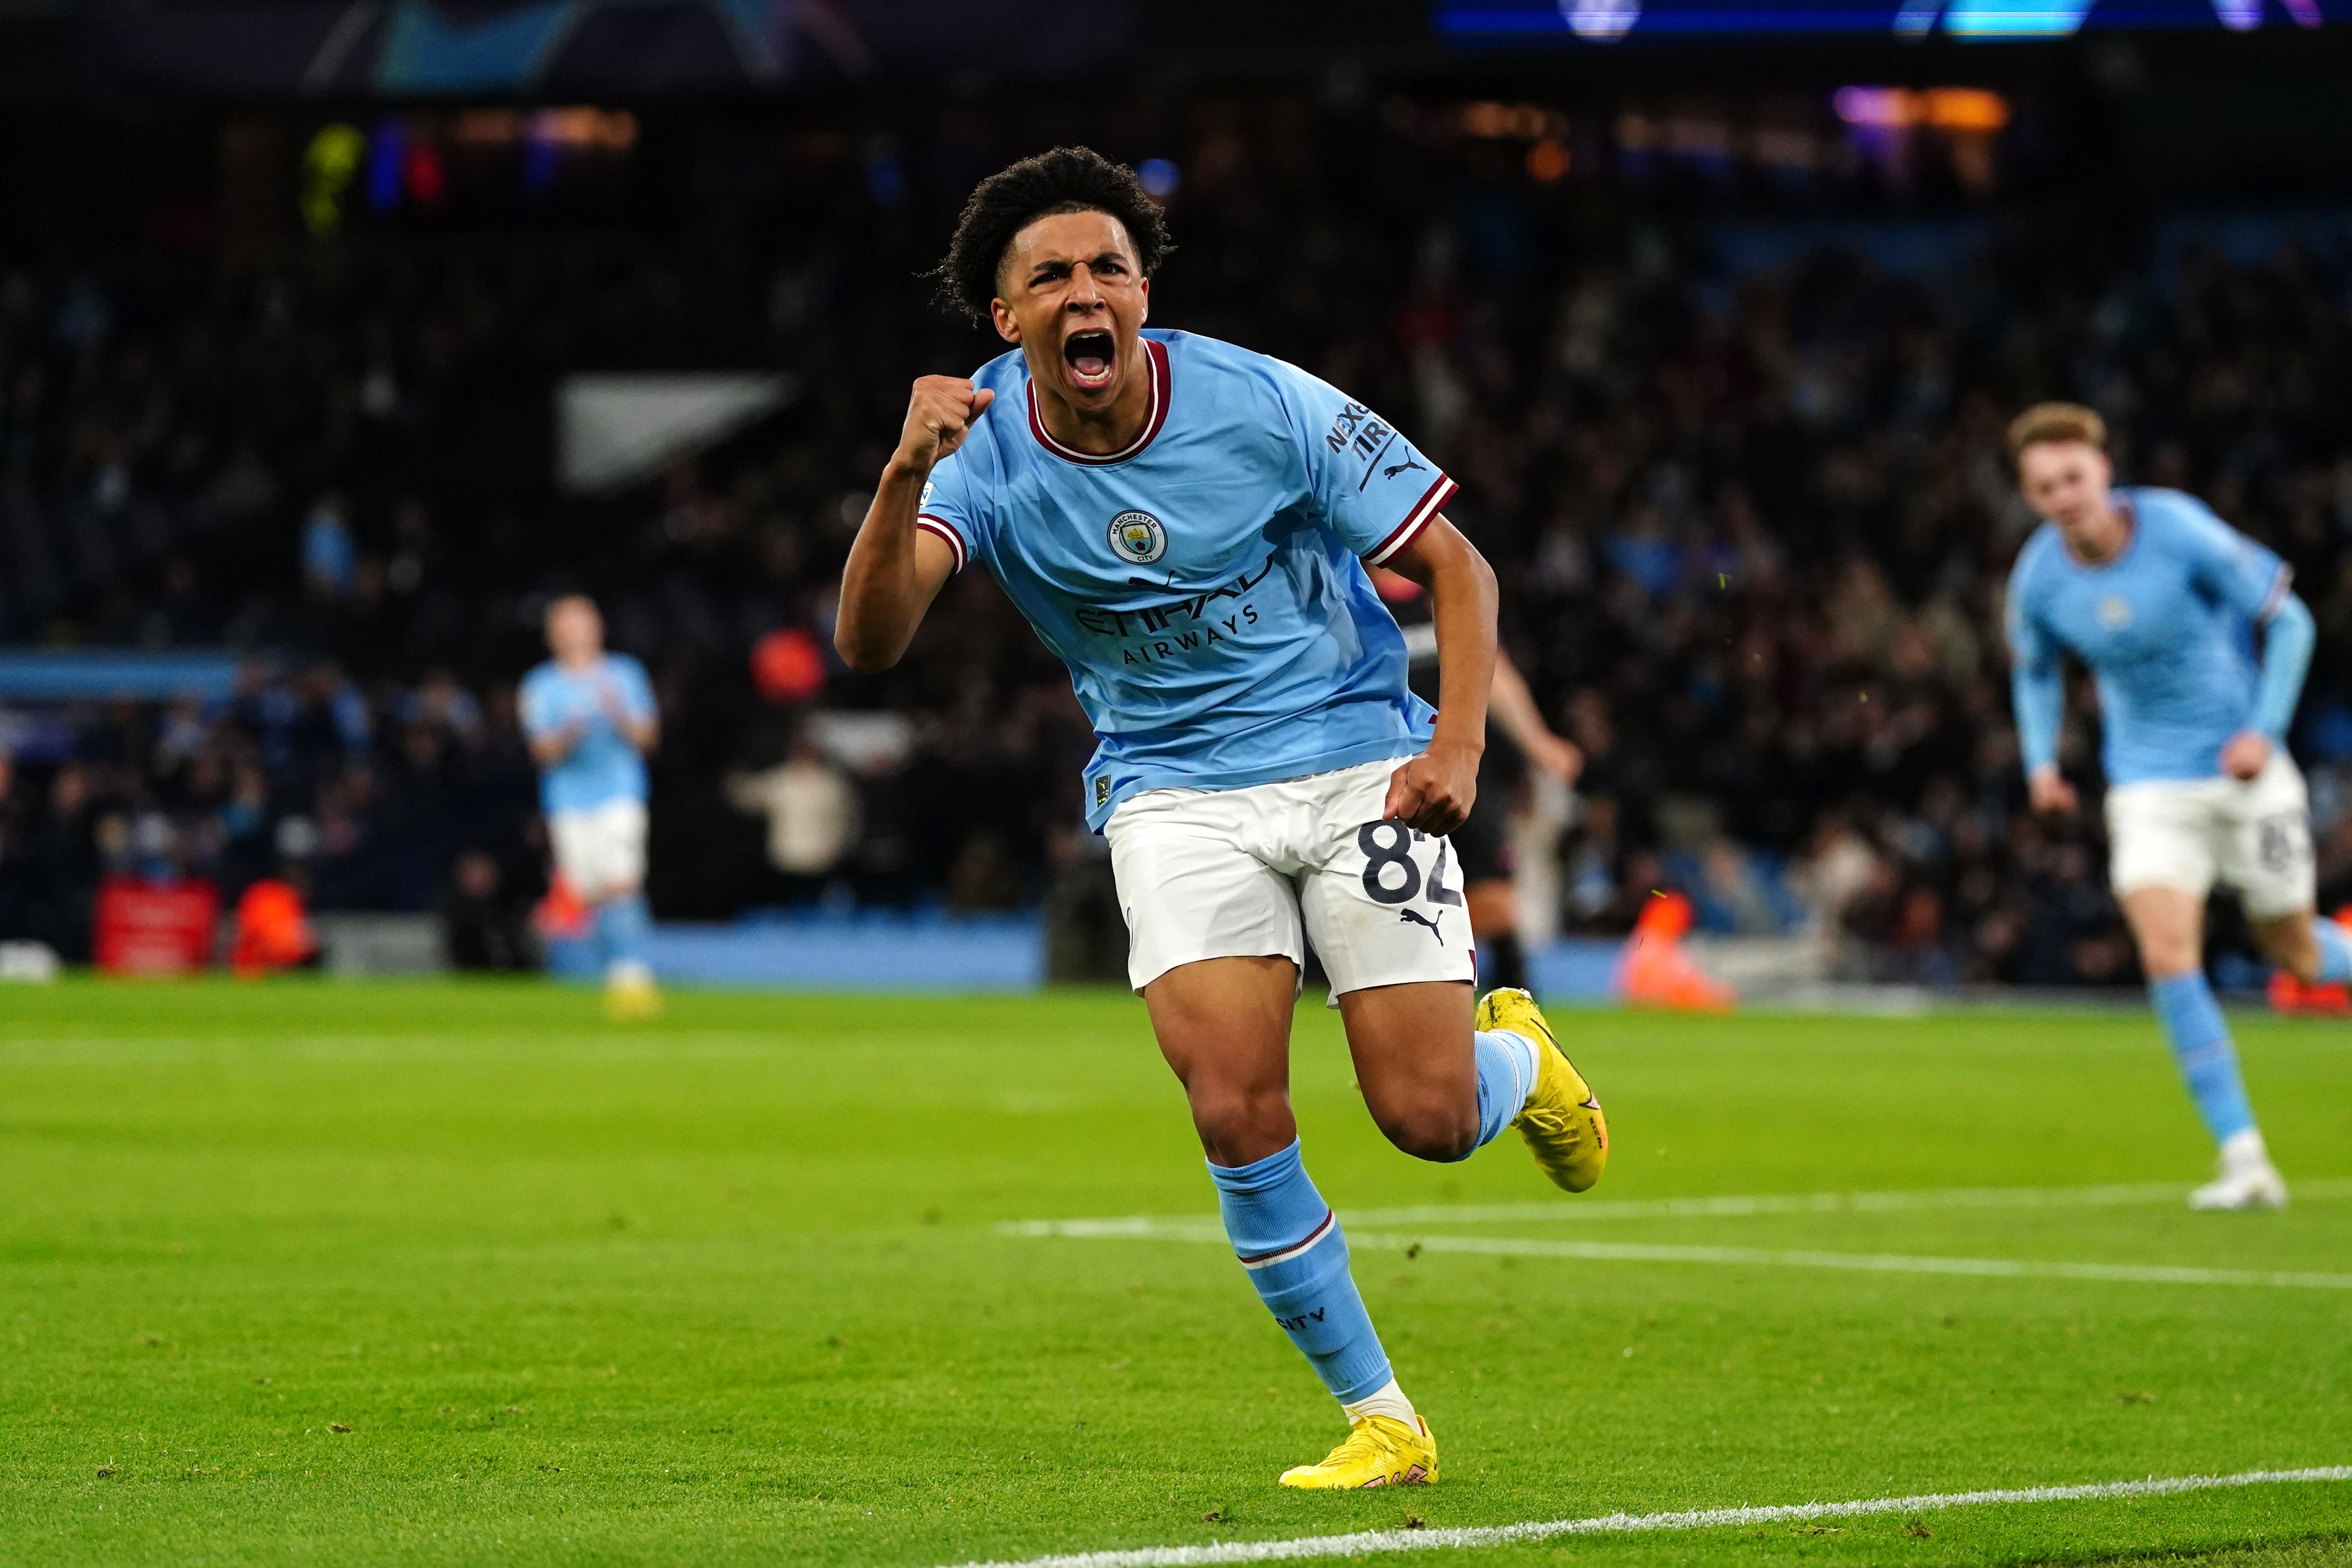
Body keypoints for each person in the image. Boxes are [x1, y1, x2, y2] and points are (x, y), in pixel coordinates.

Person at [834, 147, 1608, 1490]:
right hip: (1169, 789)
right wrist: (901, 474)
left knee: (1422, 1115)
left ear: (1140, 292)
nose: (1086, 293)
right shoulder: (981, 447)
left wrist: (1459, 741)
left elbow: (1454, 564)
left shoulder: (1257, 400)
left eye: (1108, 269)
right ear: (1005, 319)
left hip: (1354, 758)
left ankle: (1518, 1066)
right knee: (1232, 1104)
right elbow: (873, 641)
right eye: (1050, 277)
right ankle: (1384, 1417)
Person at [2005, 402, 2338, 1211]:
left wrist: (2263, 730)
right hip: (2148, 786)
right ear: (2028, 493)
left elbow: (2290, 620)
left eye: (2073, 477)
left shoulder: (2180, 530)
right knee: (2165, 953)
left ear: (2104, 470)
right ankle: (2244, 1157)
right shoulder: (2039, 577)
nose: (2063, 496)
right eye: (2044, 485)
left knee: (2295, 955)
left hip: (2244, 776)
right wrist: (2040, 759)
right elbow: (2036, 669)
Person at [1373, 567, 1583, 991]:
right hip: (1386, 772)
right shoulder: (1350, 594)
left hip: (1459, 767)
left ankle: (1515, 1010)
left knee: (1497, 904)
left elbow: (1495, 674)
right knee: (1396, 904)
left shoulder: (1440, 591)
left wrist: (1538, 742)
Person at [519, 595, 662, 1020]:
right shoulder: (541, 685)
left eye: (582, 623)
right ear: (553, 636)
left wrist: (617, 712)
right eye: (566, 626)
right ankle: (615, 977)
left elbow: (647, 738)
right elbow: (542, 752)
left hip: (620, 793)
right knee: (589, 894)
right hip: (568, 801)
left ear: (597, 628)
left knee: (623, 881)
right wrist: (569, 733)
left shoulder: (624, 674)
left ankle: (633, 979)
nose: (576, 633)